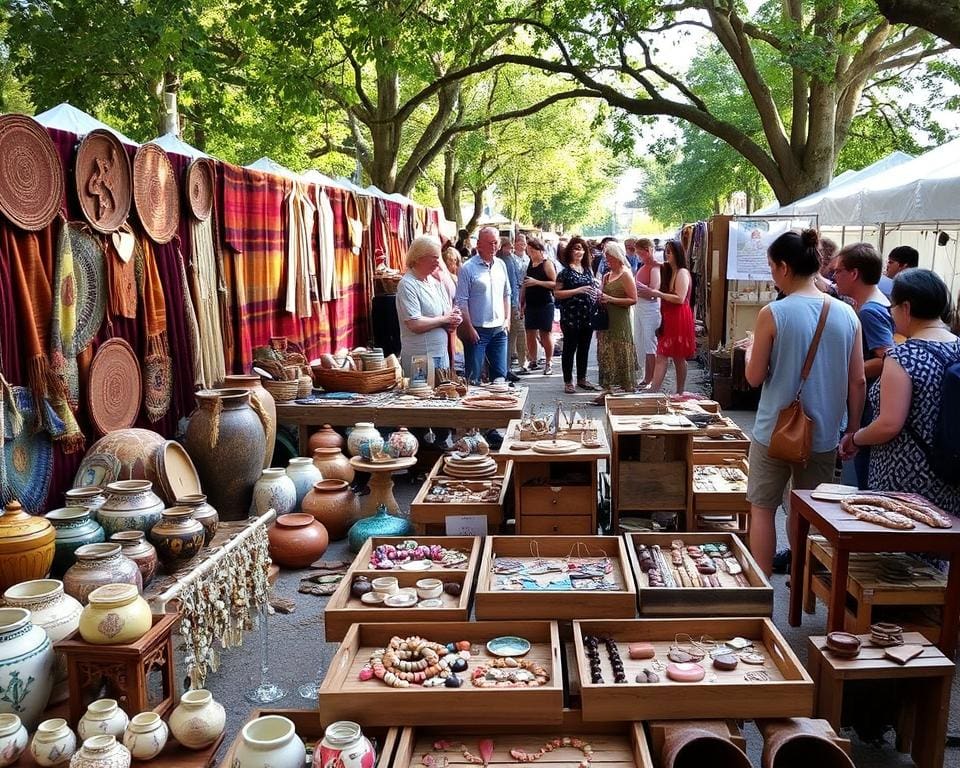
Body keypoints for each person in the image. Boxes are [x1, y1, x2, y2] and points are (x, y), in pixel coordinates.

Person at [744, 229, 864, 576]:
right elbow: (858, 380)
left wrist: (752, 348)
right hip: (824, 432)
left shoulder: (774, 313)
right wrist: (852, 429)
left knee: (763, 507)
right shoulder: (847, 315)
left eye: (770, 266)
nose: (771, 273)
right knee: (808, 510)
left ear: (783, 267)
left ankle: (761, 592)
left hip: (774, 430)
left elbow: (753, 377)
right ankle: (800, 584)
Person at [842, 269, 960, 522]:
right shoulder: (957, 347)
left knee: (899, 552)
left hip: (906, 474)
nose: (891, 314)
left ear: (906, 307)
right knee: (942, 542)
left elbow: (888, 424)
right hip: (950, 470)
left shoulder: (904, 356)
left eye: (893, 307)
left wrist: (856, 438)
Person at [832, 242, 894, 489]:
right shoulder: (872, 304)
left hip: (869, 403)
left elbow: (885, 359)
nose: (834, 277)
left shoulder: (870, 311)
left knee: (860, 476)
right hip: (870, 401)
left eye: (838, 271)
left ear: (854, 273)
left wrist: (849, 370)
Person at [395, 236, 462, 376]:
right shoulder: (408, 284)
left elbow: (447, 312)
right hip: (419, 357)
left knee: (441, 393)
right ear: (419, 258)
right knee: (421, 395)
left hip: (440, 355)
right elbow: (415, 324)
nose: (438, 262)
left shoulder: (435, 282)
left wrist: (454, 319)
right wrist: (444, 320)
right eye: (434, 258)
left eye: (438, 258)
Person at [455, 226, 510, 383]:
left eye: (496, 243)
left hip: (499, 330)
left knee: (500, 376)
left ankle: (498, 405)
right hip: (477, 330)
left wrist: (507, 321)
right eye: (489, 243)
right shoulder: (467, 269)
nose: (493, 247)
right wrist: (469, 327)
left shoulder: (501, 265)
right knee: (474, 377)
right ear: (479, 244)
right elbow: (461, 301)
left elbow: (507, 294)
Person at [642, 239, 696, 393]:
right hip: (669, 317)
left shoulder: (682, 273)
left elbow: (680, 298)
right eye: (666, 251)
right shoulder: (669, 270)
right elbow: (655, 265)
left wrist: (658, 293)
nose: (667, 254)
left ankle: (676, 391)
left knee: (675, 356)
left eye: (669, 251)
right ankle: (658, 389)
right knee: (665, 354)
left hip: (679, 317)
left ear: (677, 253)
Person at [554, 236, 599, 394]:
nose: (578, 252)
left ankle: (582, 378)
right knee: (569, 348)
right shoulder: (564, 273)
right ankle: (568, 380)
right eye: (575, 248)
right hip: (570, 316)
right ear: (570, 251)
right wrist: (577, 290)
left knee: (584, 348)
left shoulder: (588, 270)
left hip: (587, 314)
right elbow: (557, 293)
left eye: (581, 249)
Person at [596, 241, 638, 395]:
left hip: (620, 322)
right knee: (606, 353)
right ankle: (608, 389)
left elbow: (633, 299)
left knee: (620, 350)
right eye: (606, 259)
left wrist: (611, 299)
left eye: (610, 258)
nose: (607, 262)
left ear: (617, 257)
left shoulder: (625, 274)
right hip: (606, 321)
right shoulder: (607, 276)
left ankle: (625, 386)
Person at [521, 237, 557, 376]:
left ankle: (548, 361)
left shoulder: (546, 264)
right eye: (528, 250)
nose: (530, 252)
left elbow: (555, 284)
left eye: (532, 249)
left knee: (545, 333)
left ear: (539, 250)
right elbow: (525, 284)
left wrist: (537, 282)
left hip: (545, 303)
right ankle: (533, 360)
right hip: (531, 303)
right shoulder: (529, 264)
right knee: (529, 333)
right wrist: (522, 302)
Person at [632, 238, 661, 387]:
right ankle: (645, 375)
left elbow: (653, 291)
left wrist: (636, 291)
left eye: (639, 252)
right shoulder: (644, 266)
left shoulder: (655, 268)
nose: (637, 255)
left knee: (650, 343)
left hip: (650, 308)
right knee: (641, 341)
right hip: (640, 307)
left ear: (648, 250)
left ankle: (650, 378)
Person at [496, 237, 524, 377]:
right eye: (509, 247)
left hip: (510, 302)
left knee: (509, 337)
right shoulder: (505, 261)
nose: (511, 250)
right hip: (508, 304)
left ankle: (506, 367)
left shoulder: (506, 260)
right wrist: (516, 302)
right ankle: (506, 368)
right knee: (509, 337)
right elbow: (512, 285)